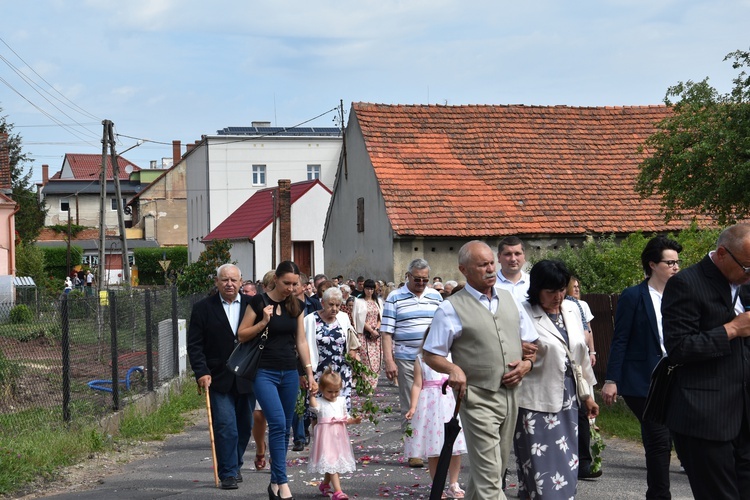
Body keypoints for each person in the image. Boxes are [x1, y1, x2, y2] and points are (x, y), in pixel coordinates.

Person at [423, 241, 536, 499]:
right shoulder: (450, 307)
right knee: (490, 476)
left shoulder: (510, 300)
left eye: (491, 263)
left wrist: (526, 364)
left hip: (511, 396)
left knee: (492, 470)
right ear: (464, 269)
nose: (490, 269)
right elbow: (431, 353)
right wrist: (453, 368)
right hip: (477, 398)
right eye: (482, 264)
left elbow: (533, 345)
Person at [660, 224, 750, 500]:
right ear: (722, 254)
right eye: (747, 267)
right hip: (705, 418)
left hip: (744, 416)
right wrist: (731, 330)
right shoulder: (686, 283)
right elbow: (679, 347)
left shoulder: (744, 286)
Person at [602, 235, 683, 499]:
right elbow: (621, 338)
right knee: (658, 439)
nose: (675, 267)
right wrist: (612, 378)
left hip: (678, 377)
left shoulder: (682, 295)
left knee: (677, 437)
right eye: (669, 262)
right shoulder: (634, 296)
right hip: (642, 380)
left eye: (677, 262)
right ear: (652, 264)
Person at [514, 259, 599, 499]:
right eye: (551, 291)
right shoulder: (523, 312)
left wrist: (587, 396)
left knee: (567, 465)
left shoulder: (572, 310)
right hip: (534, 402)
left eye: (562, 289)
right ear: (537, 289)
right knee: (540, 469)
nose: (558, 296)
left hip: (569, 400)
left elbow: (579, 358)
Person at [237, 260, 318, 500]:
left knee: (284, 431)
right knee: (278, 424)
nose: (291, 288)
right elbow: (241, 335)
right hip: (264, 371)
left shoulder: (297, 306)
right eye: (286, 283)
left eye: (295, 284)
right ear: (276, 280)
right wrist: (263, 322)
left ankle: (274, 485)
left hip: (289, 372)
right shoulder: (259, 302)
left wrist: (309, 373)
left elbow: (301, 341)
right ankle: (283, 483)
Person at [186, 263, 255, 490]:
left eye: (234, 280)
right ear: (217, 282)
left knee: (244, 425)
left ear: (241, 282)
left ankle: (235, 463)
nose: (229, 284)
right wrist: (201, 372)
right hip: (218, 377)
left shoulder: (251, 306)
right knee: (226, 425)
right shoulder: (203, 308)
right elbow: (195, 345)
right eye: (225, 280)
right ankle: (227, 472)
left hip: (246, 376)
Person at [381, 258, 444, 468]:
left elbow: (444, 327)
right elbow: (387, 332)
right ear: (408, 276)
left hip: (432, 360)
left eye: (425, 280)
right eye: (417, 279)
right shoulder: (394, 298)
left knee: (435, 404)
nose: (421, 283)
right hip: (407, 358)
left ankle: (434, 445)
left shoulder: (436, 296)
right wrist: (389, 360)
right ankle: (414, 450)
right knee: (411, 405)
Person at [405, 329, 467, 500]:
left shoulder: (452, 357)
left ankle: (454, 483)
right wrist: (413, 406)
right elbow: (418, 384)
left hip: (449, 403)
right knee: (434, 449)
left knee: (454, 447)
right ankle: (438, 484)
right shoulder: (421, 359)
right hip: (430, 406)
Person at [307, 367, 362, 500]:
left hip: (338, 437)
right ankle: (338, 491)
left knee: (332, 461)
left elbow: (346, 417)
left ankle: (325, 484)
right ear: (321, 389)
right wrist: (312, 395)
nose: (333, 394)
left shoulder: (341, 401)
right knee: (331, 462)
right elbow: (314, 407)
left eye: (336, 391)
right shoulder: (320, 402)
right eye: (329, 391)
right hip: (326, 436)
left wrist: (354, 420)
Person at [564, 275, 599, 479]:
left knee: (582, 413)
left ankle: (584, 463)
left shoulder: (577, 305)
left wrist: (591, 352)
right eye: (573, 286)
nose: (576, 289)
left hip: (577, 362)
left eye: (579, 286)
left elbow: (587, 331)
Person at [304, 286, 360, 412]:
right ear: (322, 303)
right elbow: (302, 345)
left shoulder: (343, 317)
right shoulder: (310, 319)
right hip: (319, 370)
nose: (335, 309)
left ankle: (339, 432)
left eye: (338, 305)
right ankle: (318, 432)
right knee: (318, 409)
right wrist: (305, 373)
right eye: (331, 305)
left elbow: (352, 339)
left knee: (341, 408)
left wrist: (352, 352)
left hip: (341, 370)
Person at [253, 270, 276, 471]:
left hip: (283, 366)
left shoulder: (290, 307)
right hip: (261, 367)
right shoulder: (256, 305)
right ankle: (261, 448)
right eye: (271, 288)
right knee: (259, 415)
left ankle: (276, 456)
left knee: (279, 418)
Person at [352, 279, 384, 390]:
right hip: (364, 333)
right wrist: (370, 330)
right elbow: (358, 319)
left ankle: (373, 384)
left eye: (371, 289)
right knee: (366, 358)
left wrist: (377, 329)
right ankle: (366, 384)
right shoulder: (359, 301)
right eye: (367, 289)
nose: (369, 291)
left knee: (377, 358)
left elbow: (380, 317)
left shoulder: (378, 301)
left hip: (376, 333)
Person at [494, 236, 530, 302]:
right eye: (508, 254)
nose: (513, 259)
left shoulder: (532, 282)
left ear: (524, 256)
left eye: (517, 254)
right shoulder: (491, 285)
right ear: (499, 257)